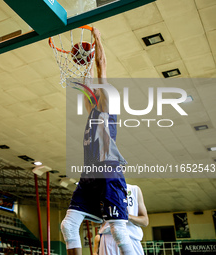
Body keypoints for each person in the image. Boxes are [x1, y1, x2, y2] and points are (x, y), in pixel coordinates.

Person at [60, 27, 135, 255]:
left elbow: (102, 65)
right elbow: (87, 83)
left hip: (109, 173)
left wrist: (97, 40)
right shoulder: (92, 109)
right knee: (68, 225)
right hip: (89, 175)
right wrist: (86, 61)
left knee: (119, 232)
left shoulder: (105, 106)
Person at [95, 184, 148, 255]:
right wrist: (105, 213)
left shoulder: (134, 189)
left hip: (131, 237)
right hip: (109, 238)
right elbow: (94, 223)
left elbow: (145, 221)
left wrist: (127, 216)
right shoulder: (100, 190)